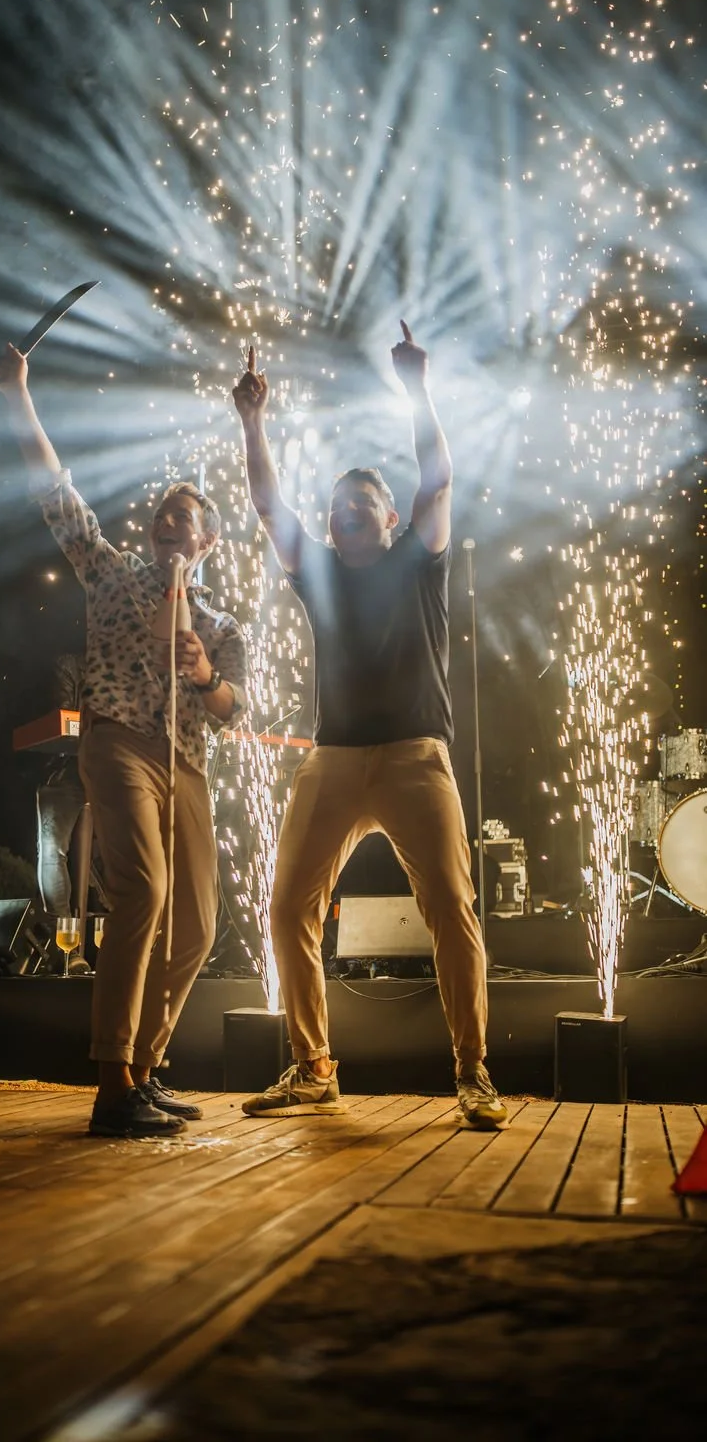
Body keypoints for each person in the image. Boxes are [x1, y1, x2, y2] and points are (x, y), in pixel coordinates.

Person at [232, 325, 506, 1128]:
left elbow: (439, 477)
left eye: (362, 503)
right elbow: (264, 502)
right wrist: (251, 421)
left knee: (451, 907)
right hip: (334, 760)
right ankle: (314, 1066)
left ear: (390, 520)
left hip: (417, 756)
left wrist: (416, 388)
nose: (345, 511)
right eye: (336, 507)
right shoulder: (315, 571)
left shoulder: (417, 560)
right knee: (287, 910)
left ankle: (472, 1069)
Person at [0, 343, 248, 1137]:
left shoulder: (220, 621)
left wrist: (206, 674)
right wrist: (18, 397)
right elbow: (55, 491)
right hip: (119, 746)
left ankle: (144, 1065)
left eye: (185, 514)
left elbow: (236, 709)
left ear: (206, 540)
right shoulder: (108, 573)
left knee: (199, 924)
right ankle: (112, 1086)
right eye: (162, 510)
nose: (168, 518)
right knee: (142, 894)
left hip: (189, 763)